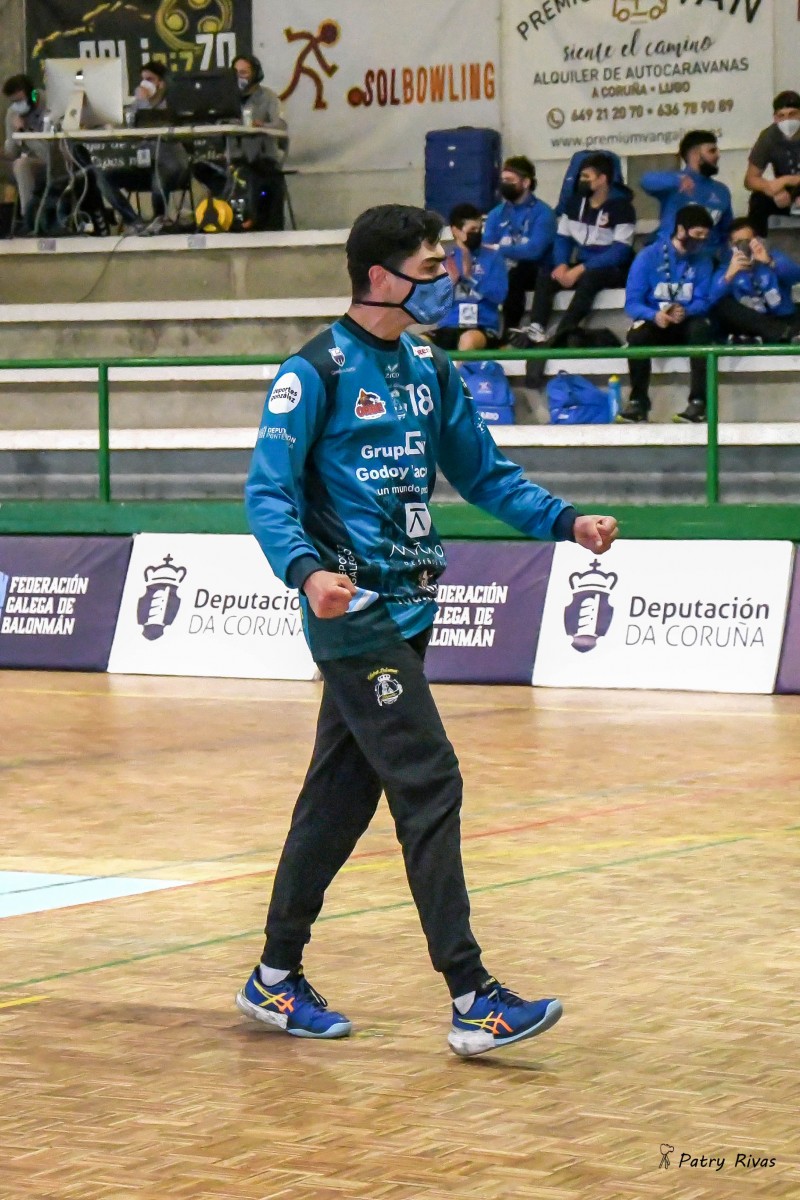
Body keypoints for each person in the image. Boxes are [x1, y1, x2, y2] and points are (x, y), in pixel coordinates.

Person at [239, 203, 618, 1056]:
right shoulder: (313, 372)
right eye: (431, 267)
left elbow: (485, 473)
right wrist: (308, 572)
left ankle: (273, 977)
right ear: (381, 278)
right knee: (429, 779)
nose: (448, 278)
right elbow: (267, 491)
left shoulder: (428, 367)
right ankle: (472, 997)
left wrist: (566, 522)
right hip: (354, 614)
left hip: (413, 607)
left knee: (339, 799)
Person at [522, 152, 636, 345]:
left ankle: (563, 331)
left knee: (591, 277)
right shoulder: (575, 204)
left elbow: (619, 252)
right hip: (583, 264)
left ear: (602, 179)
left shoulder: (623, 208)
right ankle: (536, 327)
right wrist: (562, 264)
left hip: (614, 269)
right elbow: (562, 238)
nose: (580, 181)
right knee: (547, 273)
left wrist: (580, 269)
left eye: (586, 177)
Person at [618, 203, 715, 425]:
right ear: (681, 230)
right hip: (656, 323)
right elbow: (632, 303)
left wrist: (686, 311)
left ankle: (698, 403)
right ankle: (638, 402)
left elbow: (703, 300)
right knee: (637, 335)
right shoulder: (648, 257)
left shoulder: (703, 261)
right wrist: (655, 315)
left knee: (701, 329)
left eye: (705, 236)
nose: (701, 241)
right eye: (697, 234)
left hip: (686, 323)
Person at [193, 54, 288, 231]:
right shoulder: (225, 99)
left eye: (244, 72)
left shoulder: (268, 97)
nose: (239, 77)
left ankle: (251, 222)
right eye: (236, 73)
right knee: (201, 168)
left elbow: (281, 125)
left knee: (252, 177)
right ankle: (223, 219)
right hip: (233, 161)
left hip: (262, 160)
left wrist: (263, 125)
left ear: (256, 73)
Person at [108, 60, 189, 231]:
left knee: (158, 176)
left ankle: (159, 221)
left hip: (171, 168)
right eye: (142, 80)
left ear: (161, 83)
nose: (144, 84)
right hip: (145, 167)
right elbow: (127, 129)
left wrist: (144, 103)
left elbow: (157, 124)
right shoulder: (137, 105)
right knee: (105, 177)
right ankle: (133, 220)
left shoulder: (173, 104)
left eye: (150, 79)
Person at [482, 155, 556, 338]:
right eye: (503, 180)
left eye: (510, 180)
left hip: (536, 270)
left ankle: (515, 330)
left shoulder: (543, 213)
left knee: (518, 273)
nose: (504, 184)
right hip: (503, 269)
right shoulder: (496, 214)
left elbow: (534, 251)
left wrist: (500, 250)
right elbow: (486, 248)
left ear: (526, 182)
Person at [427, 202, 507, 352]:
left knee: (467, 340)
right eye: (472, 230)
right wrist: (449, 283)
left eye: (479, 229)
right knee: (417, 346)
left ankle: (462, 369)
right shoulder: (444, 258)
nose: (477, 233)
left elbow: (499, 295)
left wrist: (471, 278)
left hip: (481, 327)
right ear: (455, 231)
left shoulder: (493, 256)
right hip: (448, 326)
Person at [641, 130, 733, 254]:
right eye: (712, 151)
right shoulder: (673, 183)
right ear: (695, 154)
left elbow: (728, 232)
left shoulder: (722, 191)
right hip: (669, 255)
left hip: (705, 260)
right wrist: (676, 180)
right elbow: (645, 180)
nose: (718, 155)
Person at [710, 217, 800, 344]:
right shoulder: (726, 268)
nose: (744, 246)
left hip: (782, 317)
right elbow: (712, 299)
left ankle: (777, 335)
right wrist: (729, 275)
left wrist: (770, 262)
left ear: (757, 240)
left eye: (748, 241)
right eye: (738, 243)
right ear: (731, 245)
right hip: (752, 323)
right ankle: (781, 334)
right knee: (723, 306)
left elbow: (796, 276)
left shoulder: (773, 257)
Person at [744, 91, 800, 237]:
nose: (787, 120)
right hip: (787, 193)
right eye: (781, 116)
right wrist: (771, 189)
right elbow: (750, 180)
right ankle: (757, 246)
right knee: (758, 201)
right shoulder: (769, 136)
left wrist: (787, 180)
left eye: (792, 114)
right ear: (775, 118)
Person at [2, 74, 51, 229]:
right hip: (24, 162)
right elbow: (12, 152)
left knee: (22, 164)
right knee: (19, 163)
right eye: (13, 102)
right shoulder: (13, 113)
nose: (17, 106)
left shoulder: (48, 105)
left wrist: (24, 132)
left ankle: (29, 220)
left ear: (32, 95)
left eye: (19, 101)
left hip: (50, 164)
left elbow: (47, 153)